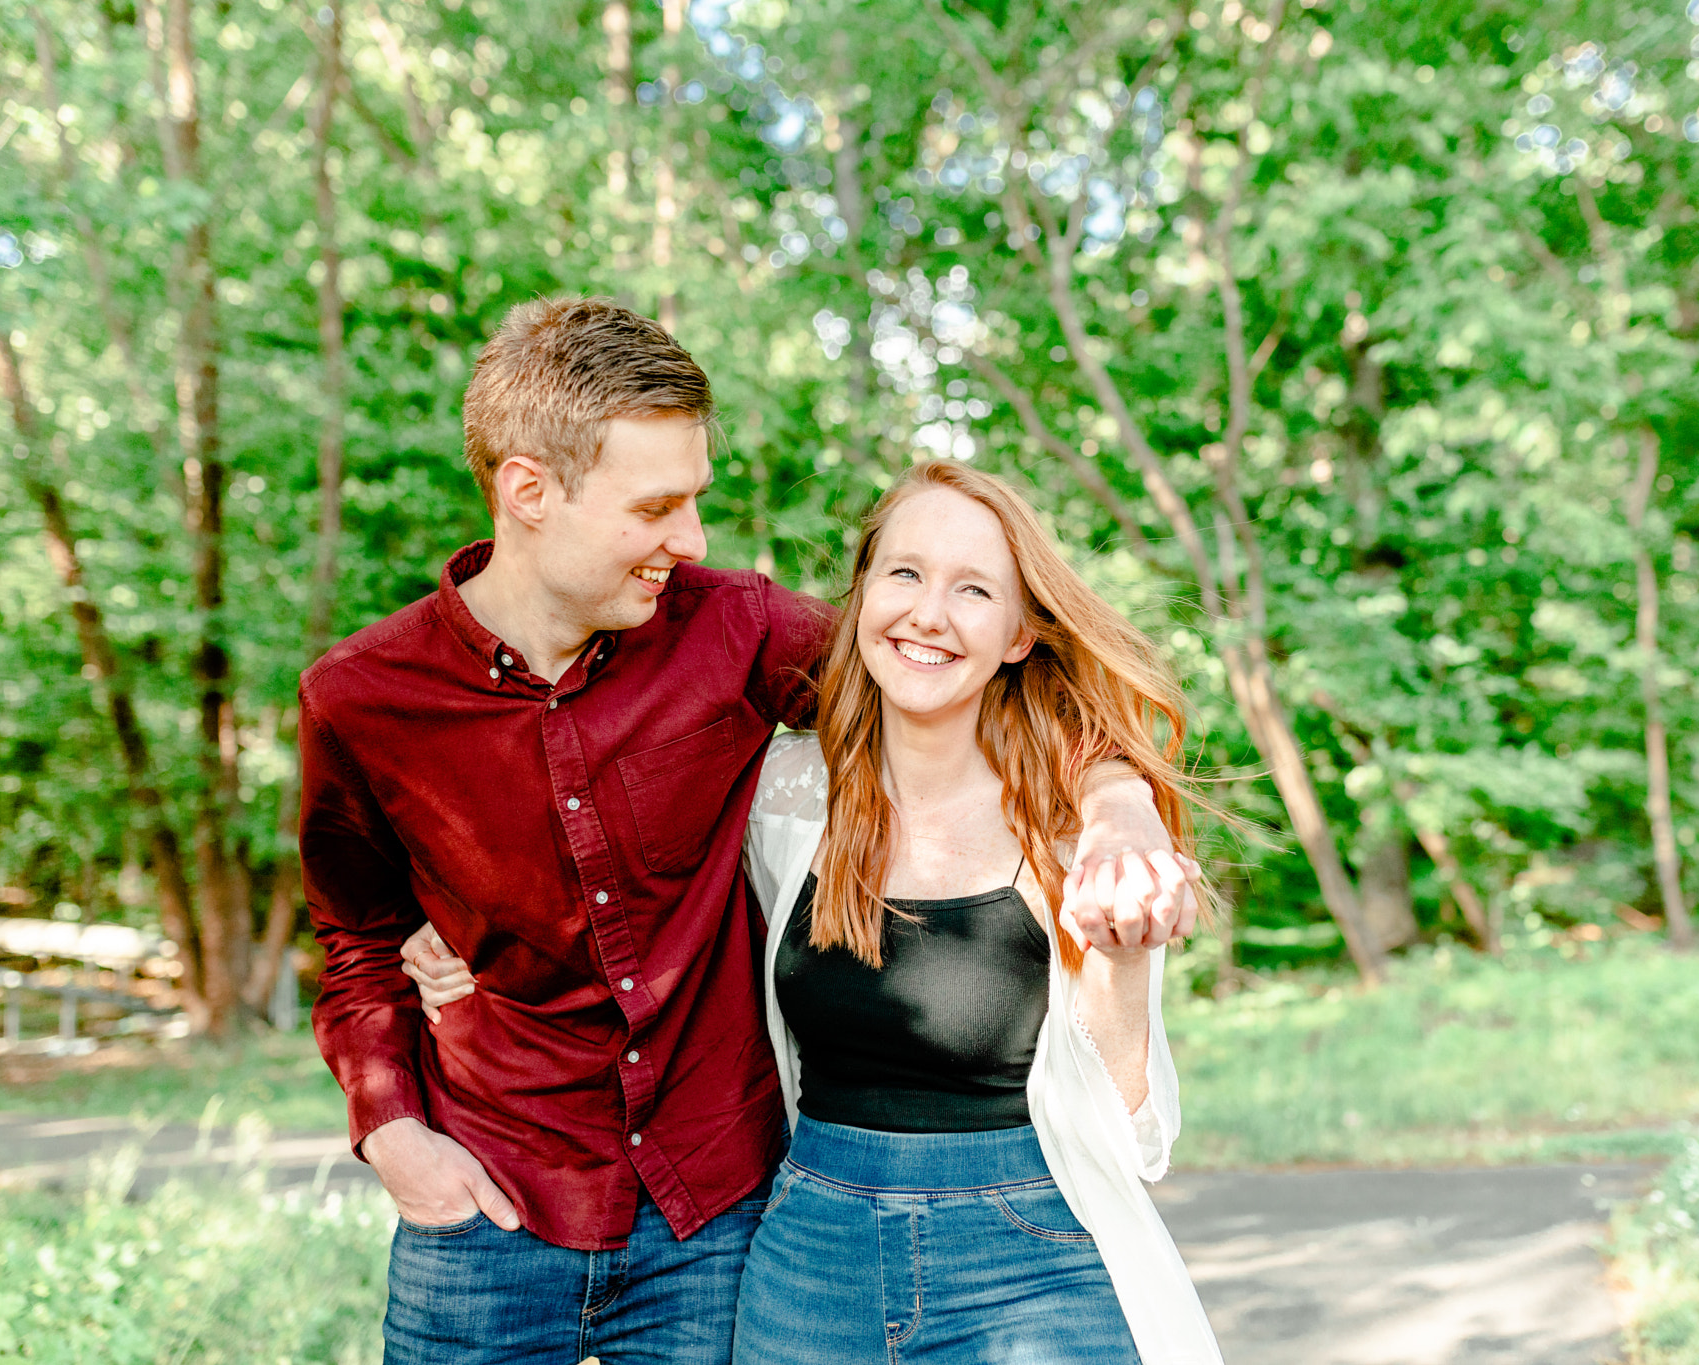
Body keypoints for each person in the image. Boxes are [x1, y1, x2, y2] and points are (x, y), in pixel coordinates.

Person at [300, 296, 1197, 1365]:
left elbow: (960, 684)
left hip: (711, 1217)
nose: (690, 538)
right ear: (527, 492)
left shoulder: (732, 628)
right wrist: (393, 1131)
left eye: (696, 501)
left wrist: (1115, 801)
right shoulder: (359, 701)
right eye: (656, 508)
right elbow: (356, 940)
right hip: (490, 1204)